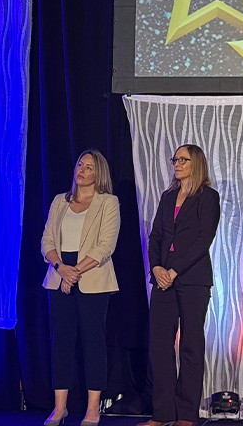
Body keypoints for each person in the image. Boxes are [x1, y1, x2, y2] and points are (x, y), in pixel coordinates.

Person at [138, 144, 221, 426]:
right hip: (163, 280)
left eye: (182, 159)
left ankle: (186, 414)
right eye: (175, 159)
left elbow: (202, 240)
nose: (176, 163)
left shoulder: (208, 197)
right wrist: (157, 268)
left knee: (190, 345)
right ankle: (162, 414)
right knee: (159, 346)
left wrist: (174, 270)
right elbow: (156, 236)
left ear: (196, 163)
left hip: (193, 280)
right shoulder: (167, 196)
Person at [40, 149, 121, 426]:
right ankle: (60, 408)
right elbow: (47, 241)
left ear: (99, 174)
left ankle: (92, 409)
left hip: (92, 278)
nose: (82, 170)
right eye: (80, 165)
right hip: (60, 274)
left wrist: (74, 272)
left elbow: (105, 246)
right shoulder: (59, 201)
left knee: (93, 343)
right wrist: (62, 269)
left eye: (89, 167)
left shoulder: (108, 202)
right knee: (61, 342)